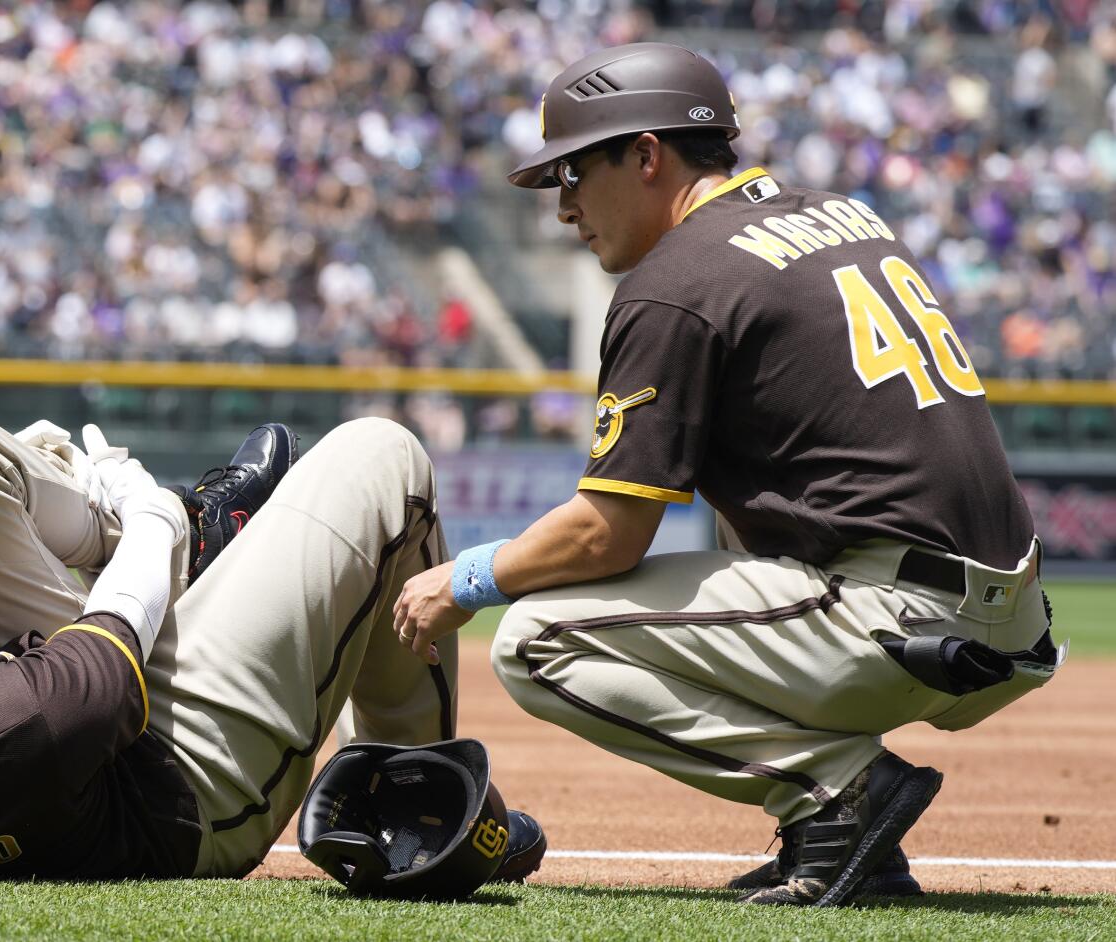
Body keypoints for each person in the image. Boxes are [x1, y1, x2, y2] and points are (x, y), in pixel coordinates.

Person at [393, 42, 1062, 908]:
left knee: (535, 639)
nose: (564, 208)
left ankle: (837, 797)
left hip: (899, 613)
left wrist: (469, 577)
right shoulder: (842, 214)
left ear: (645, 156)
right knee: (718, 540)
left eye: (572, 174)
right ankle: (838, 835)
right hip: (1007, 619)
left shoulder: (678, 281)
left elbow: (607, 532)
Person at [0, 408, 489, 884]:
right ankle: (417, 801)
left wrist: (21, 492)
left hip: (38, 675)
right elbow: (122, 617)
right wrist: (147, 508)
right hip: (176, 766)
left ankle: (183, 530)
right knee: (384, 458)